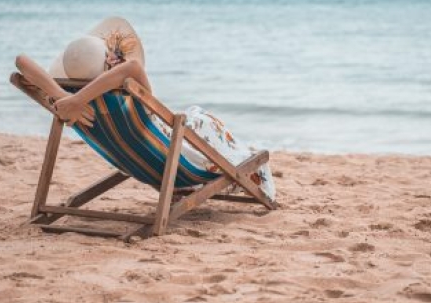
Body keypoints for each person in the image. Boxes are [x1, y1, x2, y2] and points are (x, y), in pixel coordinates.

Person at [14, 17, 276, 200]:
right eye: (112, 56)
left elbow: (20, 64)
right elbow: (134, 68)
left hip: (142, 159)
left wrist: (64, 96)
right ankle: (244, 157)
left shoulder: (68, 102)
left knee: (196, 115)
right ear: (109, 63)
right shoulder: (124, 92)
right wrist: (73, 100)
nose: (118, 58)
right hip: (182, 153)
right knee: (202, 119)